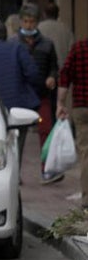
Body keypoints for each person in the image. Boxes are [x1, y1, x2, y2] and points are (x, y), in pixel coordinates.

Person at [0, 20, 42, 175]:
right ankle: (15, 172)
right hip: (18, 106)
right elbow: (33, 74)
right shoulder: (17, 48)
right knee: (18, 142)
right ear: (5, 34)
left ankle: (0, 171)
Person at [11, 3, 60, 181]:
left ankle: (46, 169)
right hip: (21, 96)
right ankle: (15, 173)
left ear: (37, 22)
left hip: (42, 95)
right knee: (17, 136)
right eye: (25, 21)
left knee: (46, 131)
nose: (29, 25)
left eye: (32, 22)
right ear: (21, 22)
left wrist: (52, 77)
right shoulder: (14, 43)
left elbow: (54, 67)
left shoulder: (47, 44)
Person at [57, 35, 88, 208]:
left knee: (85, 153)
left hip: (81, 107)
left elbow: (65, 74)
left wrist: (60, 103)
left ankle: (87, 199)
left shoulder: (79, 47)